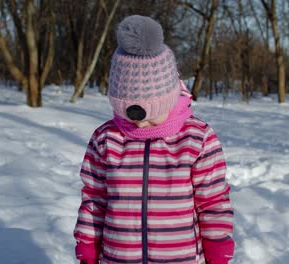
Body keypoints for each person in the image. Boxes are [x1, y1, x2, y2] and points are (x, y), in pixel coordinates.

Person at [74, 15, 235, 264]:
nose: (140, 124)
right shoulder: (106, 139)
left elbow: (213, 200)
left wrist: (218, 243)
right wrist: (87, 242)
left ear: (170, 97)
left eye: (150, 114)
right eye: (128, 113)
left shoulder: (197, 138)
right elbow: (94, 198)